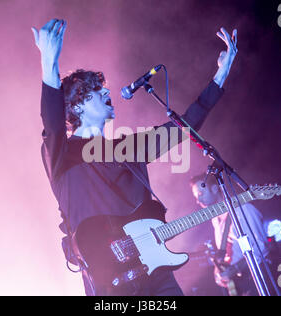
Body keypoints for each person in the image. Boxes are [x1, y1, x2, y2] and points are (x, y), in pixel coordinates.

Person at [31, 18, 238, 296]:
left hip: (157, 274)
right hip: (109, 281)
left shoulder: (128, 148)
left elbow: (187, 125)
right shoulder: (61, 153)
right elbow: (52, 121)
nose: (106, 91)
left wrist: (221, 74)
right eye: (96, 90)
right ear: (77, 105)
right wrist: (49, 61)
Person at [190, 173, 270, 296]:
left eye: (201, 194)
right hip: (241, 284)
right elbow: (228, 253)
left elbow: (262, 247)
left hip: (258, 278)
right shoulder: (215, 220)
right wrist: (219, 270)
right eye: (196, 197)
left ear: (215, 189)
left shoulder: (243, 209)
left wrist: (235, 269)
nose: (198, 200)